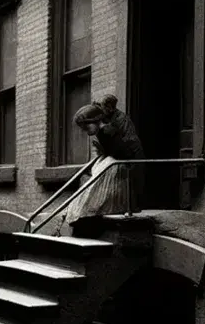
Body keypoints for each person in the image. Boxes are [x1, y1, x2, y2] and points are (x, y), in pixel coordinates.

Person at [57, 95, 146, 231]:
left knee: (95, 185)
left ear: (96, 120)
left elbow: (123, 152)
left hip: (123, 164)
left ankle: (84, 212)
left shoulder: (107, 131)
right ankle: (82, 211)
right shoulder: (103, 132)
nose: (87, 133)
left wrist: (104, 151)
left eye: (87, 128)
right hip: (116, 160)